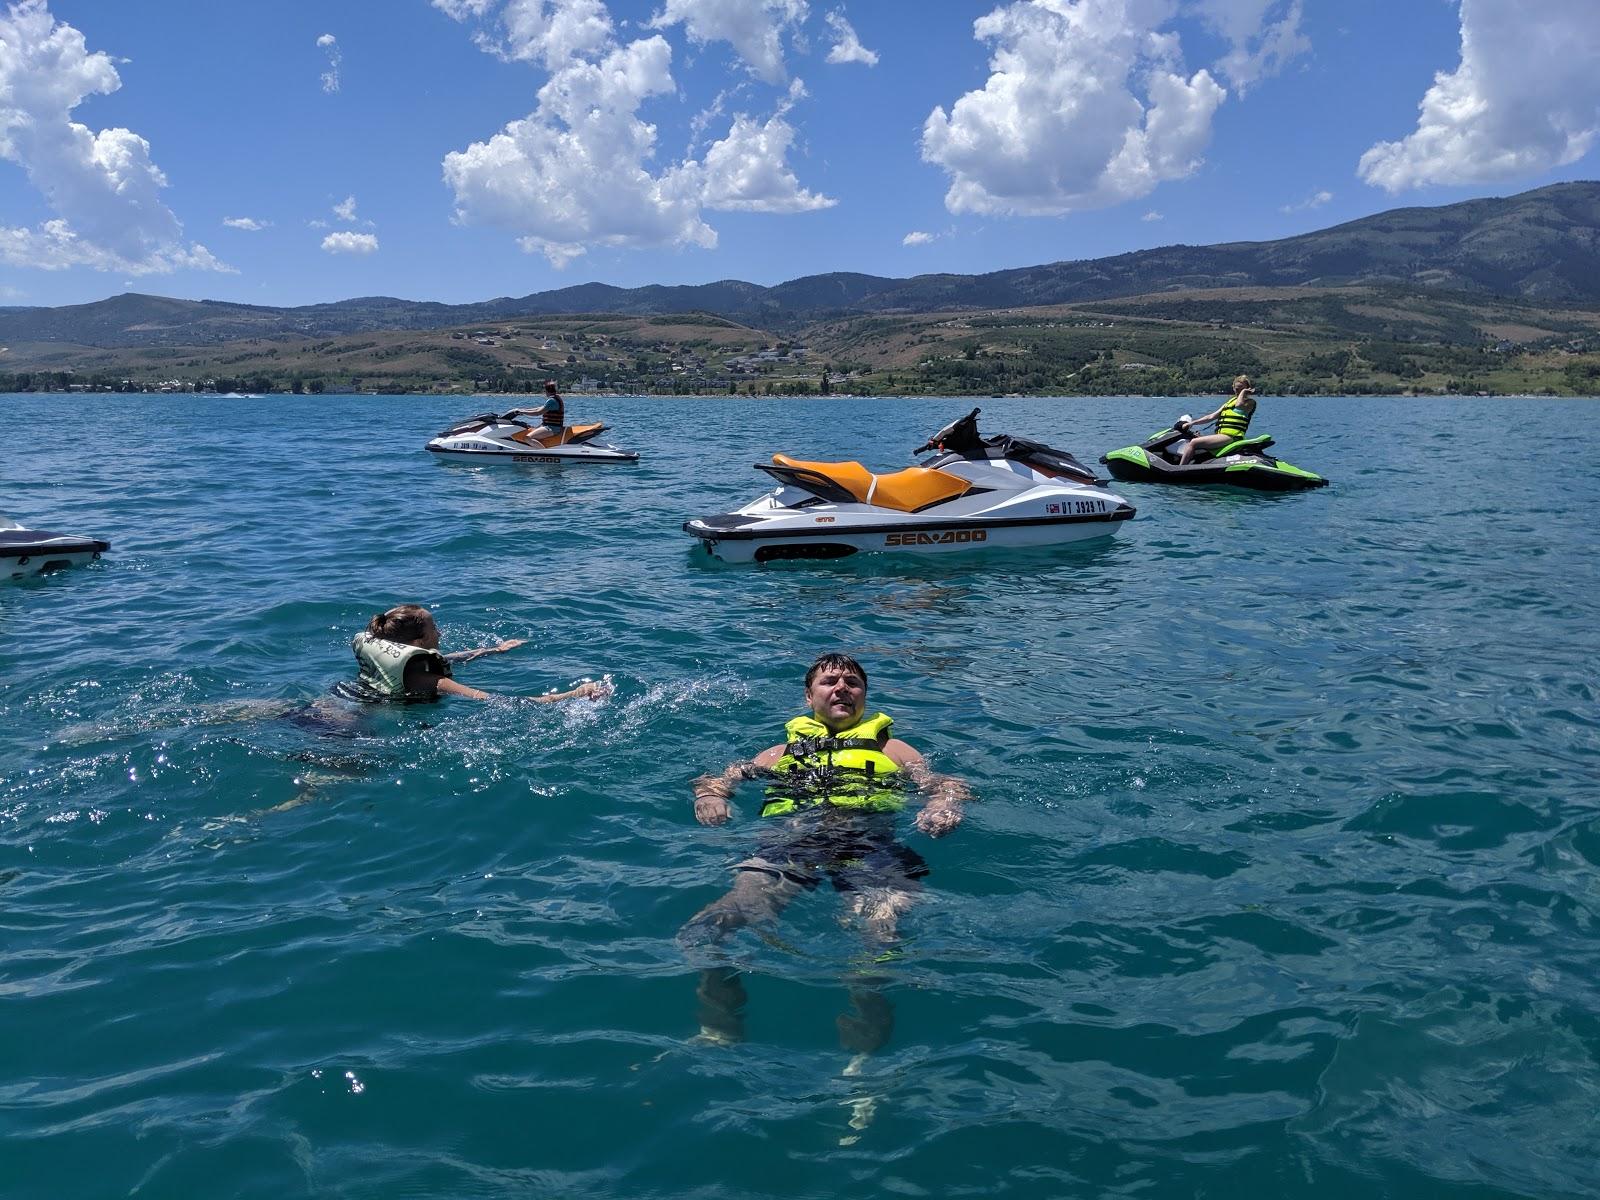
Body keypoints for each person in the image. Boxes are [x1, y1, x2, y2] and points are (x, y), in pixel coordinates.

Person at [682, 652, 970, 1054]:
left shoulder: (894, 750)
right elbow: (715, 780)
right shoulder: (778, 754)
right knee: (706, 929)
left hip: (868, 848)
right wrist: (709, 798)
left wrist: (945, 806)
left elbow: (945, 784)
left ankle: (865, 1050)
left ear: (864, 696)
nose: (842, 688)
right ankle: (719, 1025)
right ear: (808, 696)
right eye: (830, 681)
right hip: (790, 848)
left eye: (852, 683)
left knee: (880, 940)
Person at [335, 604, 607, 704]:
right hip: (353, 730)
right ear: (419, 641)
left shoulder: (389, 657)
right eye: (434, 629)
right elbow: (500, 701)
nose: (439, 634)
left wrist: (493, 650)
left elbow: (448, 658)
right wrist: (575, 694)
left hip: (333, 704)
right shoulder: (428, 680)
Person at [1178, 374, 1258, 465]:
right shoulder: (1229, 403)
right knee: (1194, 437)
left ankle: (1179, 469)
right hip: (1222, 436)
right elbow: (1211, 417)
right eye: (1236, 388)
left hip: (1232, 437)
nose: (1238, 391)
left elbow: (1239, 405)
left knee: (1193, 443)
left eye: (1241, 388)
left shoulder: (1250, 403)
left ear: (1248, 388)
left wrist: (1244, 392)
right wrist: (1192, 423)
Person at [505, 380, 565, 445]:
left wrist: (523, 412)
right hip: (551, 426)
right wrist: (521, 410)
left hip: (552, 428)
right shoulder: (555, 398)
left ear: (547, 391)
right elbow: (538, 408)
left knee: (528, 438)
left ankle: (544, 454)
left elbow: (538, 413)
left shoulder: (552, 401)